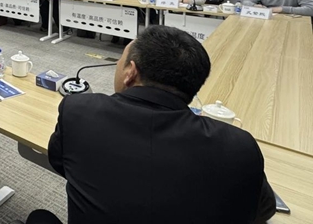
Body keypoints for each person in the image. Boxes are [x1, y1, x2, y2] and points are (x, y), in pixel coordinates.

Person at [24, 26, 275, 224]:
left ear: (130, 72)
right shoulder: (238, 146)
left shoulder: (78, 110)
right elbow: (262, 211)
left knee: (39, 218)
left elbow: (59, 162)